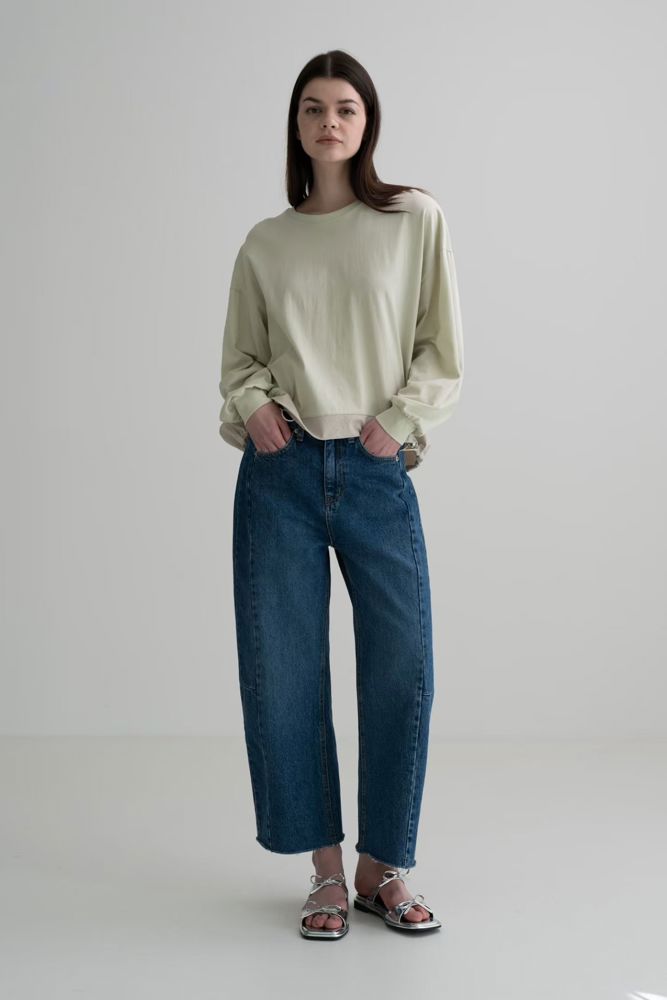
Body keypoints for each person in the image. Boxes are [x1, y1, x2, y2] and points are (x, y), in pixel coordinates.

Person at [218, 50, 464, 938]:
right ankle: (324, 872)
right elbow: (239, 361)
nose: (330, 121)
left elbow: (440, 346)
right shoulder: (266, 242)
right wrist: (254, 407)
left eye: (346, 108)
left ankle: (381, 867)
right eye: (314, 108)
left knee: (402, 668)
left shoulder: (411, 218)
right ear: (296, 124)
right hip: (279, 473)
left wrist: (397, 422)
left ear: (368, 122)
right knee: (283, 672)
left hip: (372, 467)